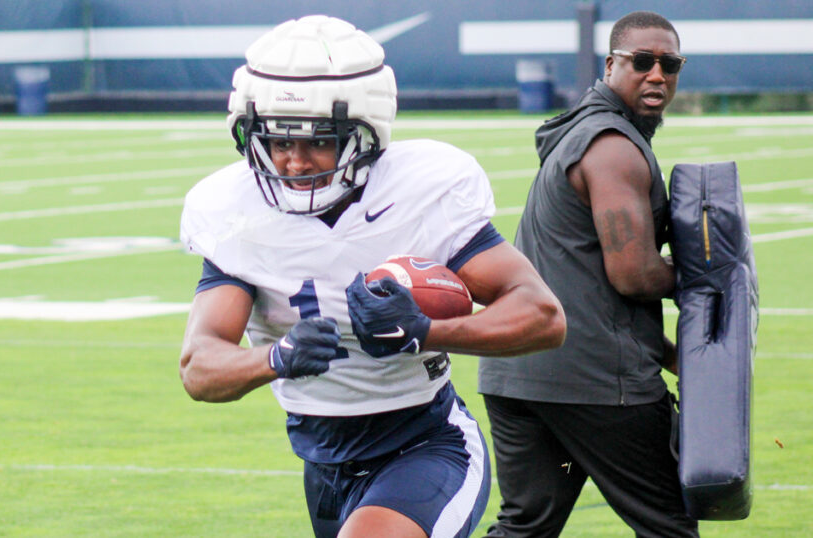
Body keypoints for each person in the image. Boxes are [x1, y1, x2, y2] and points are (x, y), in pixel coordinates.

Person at [179, 15, 565, 538]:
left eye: (318, 142)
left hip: (426, 444)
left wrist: (425, 332)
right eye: (278, 143)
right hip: (323, 462)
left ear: (364, 134)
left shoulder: (420, 190)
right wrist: (275, 358)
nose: (294, 163)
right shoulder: (234, 211)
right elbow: (199, 367)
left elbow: (542, 317)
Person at [478, 11, 699, 538]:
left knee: (524, 527)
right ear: (610, 65)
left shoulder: (579, 132)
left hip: (519, 374)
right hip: (596, 384)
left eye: (670, 64)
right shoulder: (613, 147)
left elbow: (589, 287)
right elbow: (634, 276)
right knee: (669, 525)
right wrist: (702, 272)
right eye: (642, 62)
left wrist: (679, 360)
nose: (657, 76)